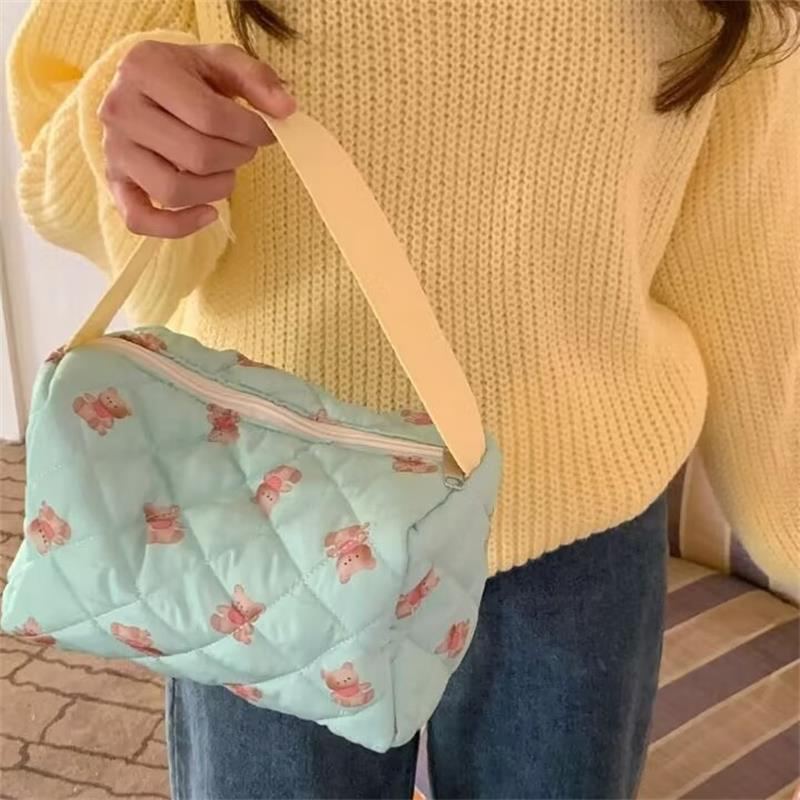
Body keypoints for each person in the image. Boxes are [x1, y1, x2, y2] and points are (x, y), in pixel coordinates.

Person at [7, 1, 799, 797]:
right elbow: (57, 140)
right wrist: (130, 145)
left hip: (581, 528)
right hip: (268, 516)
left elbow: (747, 272)